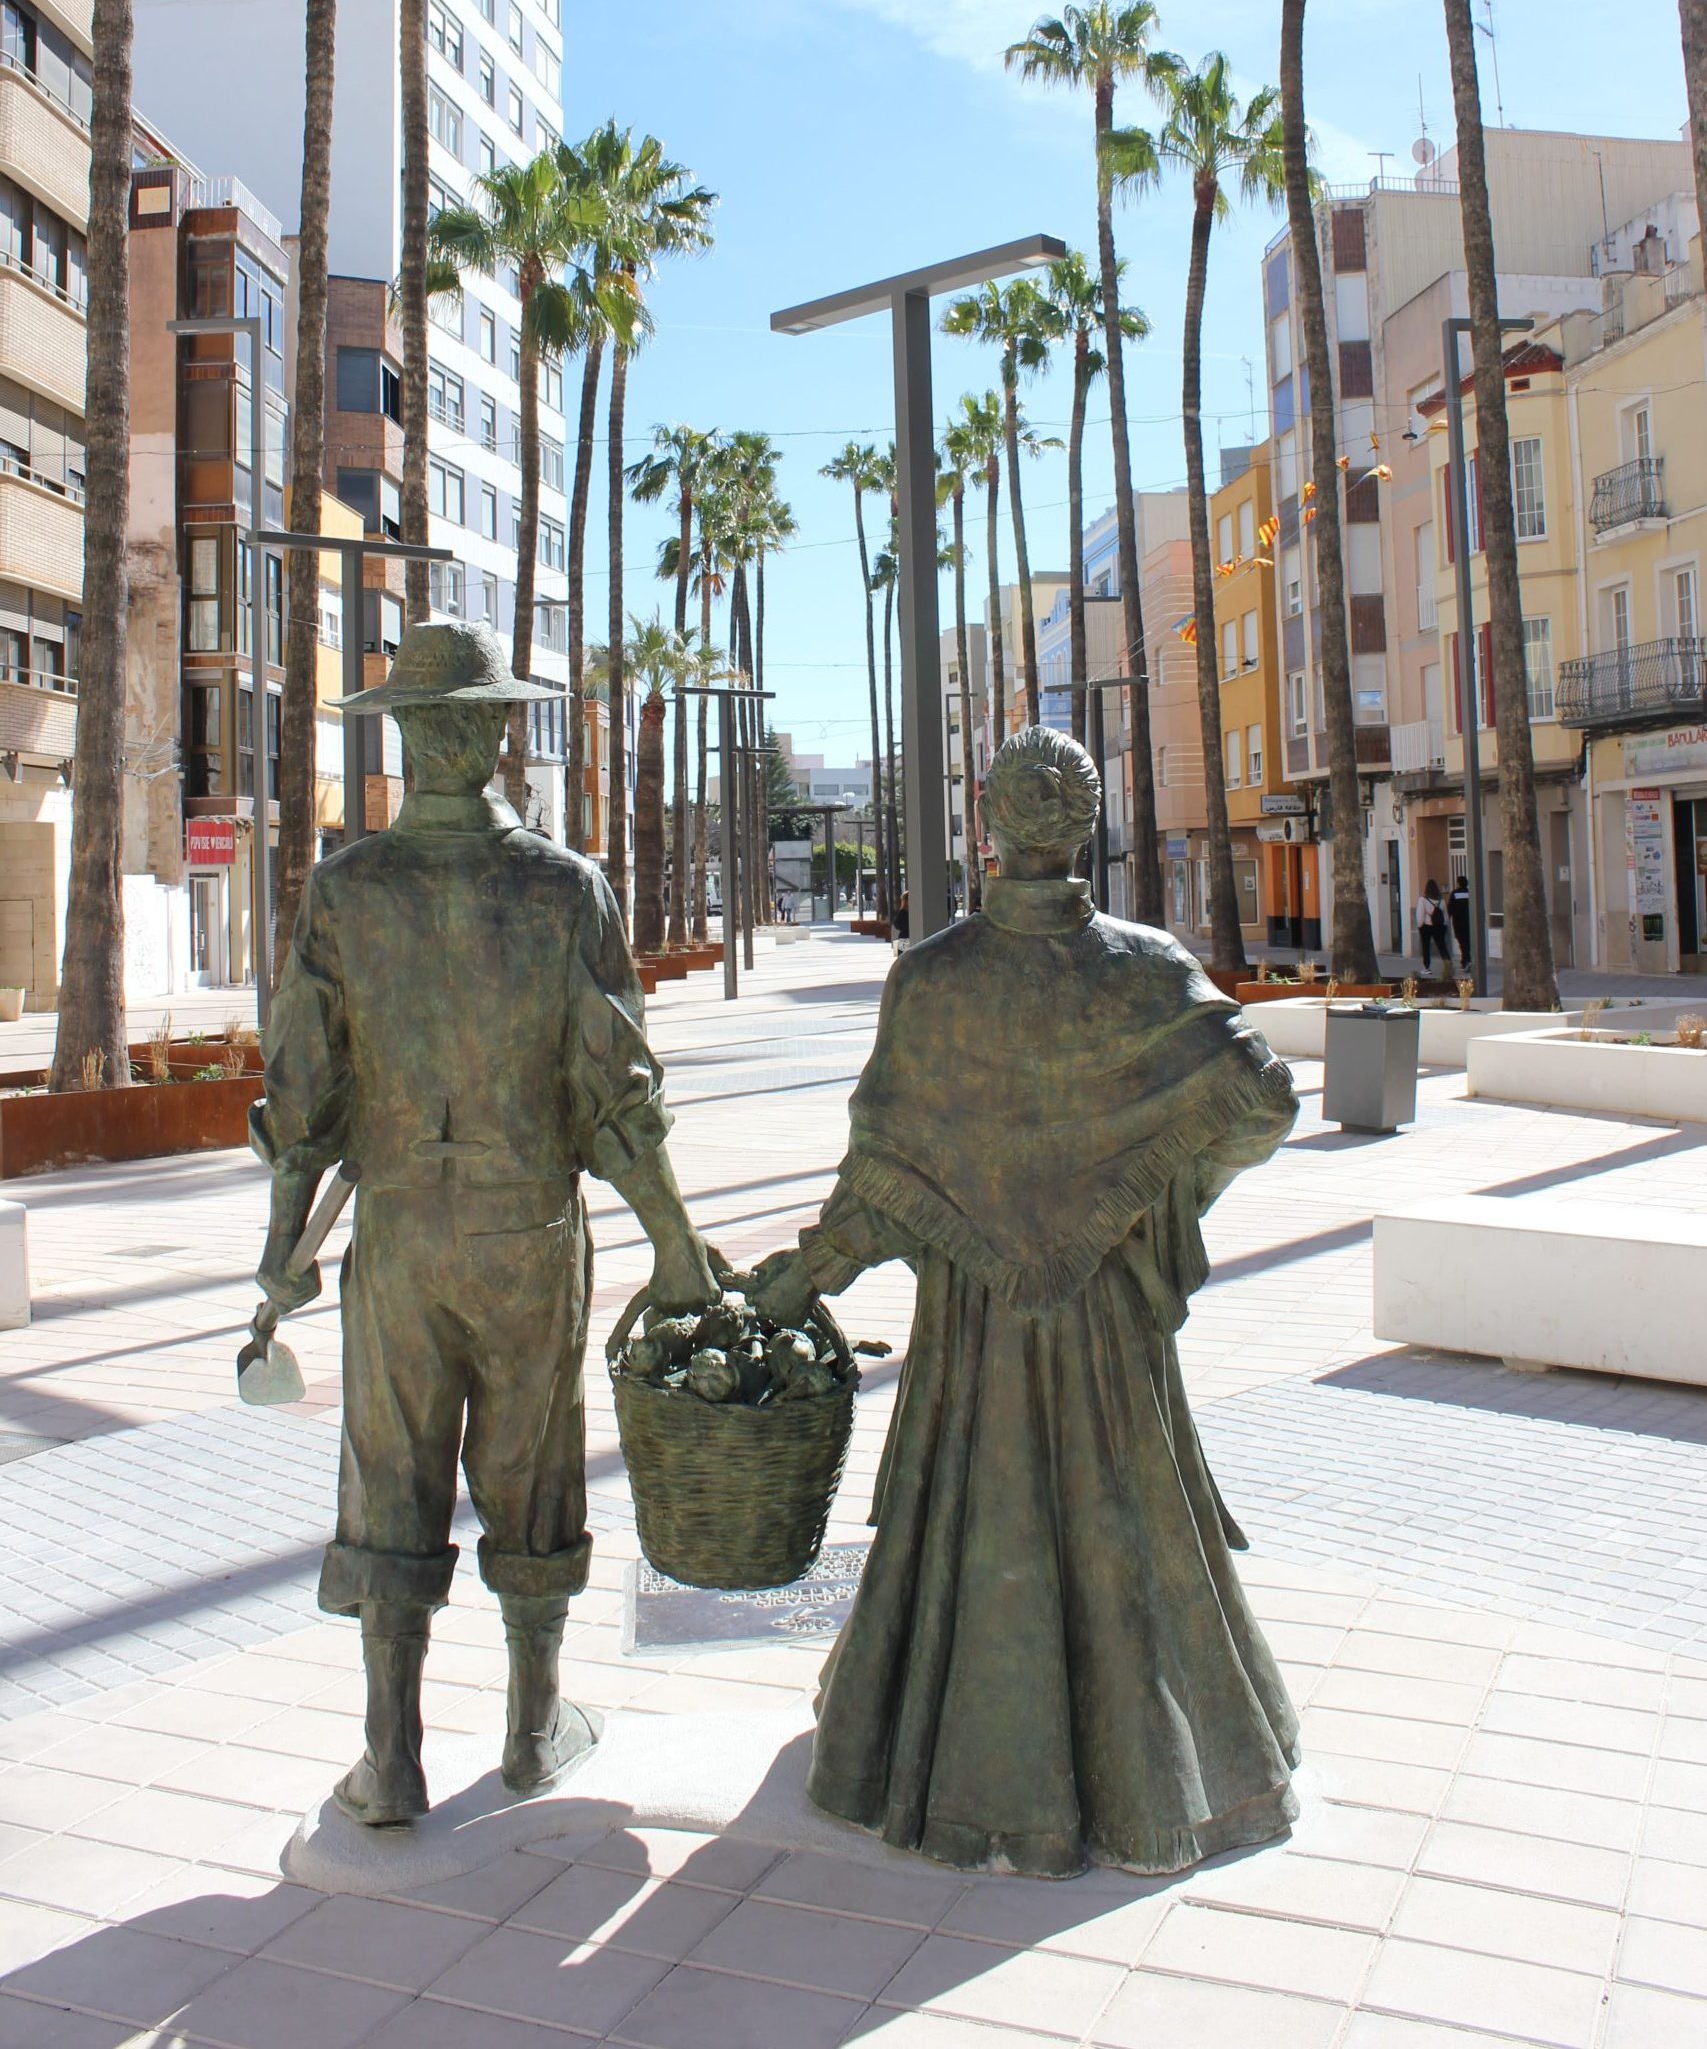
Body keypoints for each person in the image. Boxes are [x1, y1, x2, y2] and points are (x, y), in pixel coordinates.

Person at [751, 726, 1300, 1879]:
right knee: (1127, 1516)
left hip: (976, 1324)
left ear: (988, 822)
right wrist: (1151, 1189)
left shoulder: (934, 977)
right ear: (1085, 826)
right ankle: (1159, 1780)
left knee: (971, 1518)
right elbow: (1260, 1100)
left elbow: (886, 1175)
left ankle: (953, 1770)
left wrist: (806, 1272)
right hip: (1110, 1319)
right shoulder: (1149, 967)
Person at [255, 621, 717, 1827]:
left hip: (401, 1234)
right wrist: (674, 1241)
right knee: (534, 1466)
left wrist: (279, 1251)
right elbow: (617, 1093)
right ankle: (530, 1726)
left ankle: (391, 1756)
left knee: (391, 1469)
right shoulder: (564, 888)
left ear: (408, 734)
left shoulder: (347, 888)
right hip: (530, 1232)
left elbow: (303, 1095)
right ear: (499, 729)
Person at [1414, 877, 1451, 973]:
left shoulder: (1423, 900)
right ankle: (1448, 966)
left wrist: (1420, 926)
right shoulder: (1441, 900)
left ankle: (1427, 968)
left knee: (1426, 947)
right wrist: (1444, 925)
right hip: (1439, 926)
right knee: (1442, 946)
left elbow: (1420, 915)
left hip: (1426, 926)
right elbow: (1445, 916)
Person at [1447, 874, 1473, 975]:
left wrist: (1448, 918)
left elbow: (1450, 908)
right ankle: (1467, 960)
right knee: (1468, 941)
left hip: (1458, 922)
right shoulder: (1470, 893)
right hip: (1469, 921)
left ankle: (1466, 960)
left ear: (1458, 883)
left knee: (1462, 942)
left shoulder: (1455, 893)